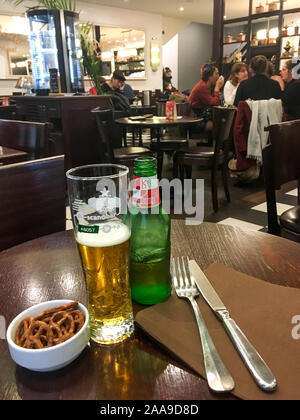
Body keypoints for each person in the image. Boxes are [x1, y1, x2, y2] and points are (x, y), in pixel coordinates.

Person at [188, 62, 224, 131]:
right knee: (220, 125)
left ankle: (213, 142)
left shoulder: (206, 85)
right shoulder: (202, 86)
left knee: (222, 122)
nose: (218, 76)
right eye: (216, 74)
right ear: (209, 77)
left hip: (200, 116)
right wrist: (217, 88)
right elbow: (214, 103)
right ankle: (215, 142)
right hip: (195, 120)